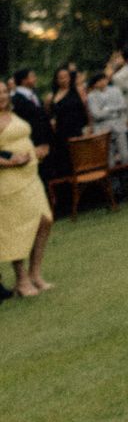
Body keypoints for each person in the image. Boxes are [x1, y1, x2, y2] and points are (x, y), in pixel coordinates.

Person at [0, 78, 55, 295]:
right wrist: (10, 161)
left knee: (45, 220)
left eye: (4, 92)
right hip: (9, 180)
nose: (2, 96)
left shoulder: (13, 114)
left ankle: (35, 274)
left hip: (30, 176)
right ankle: (22, 280)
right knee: (17, 228)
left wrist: (36, 151)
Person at [86, 70, 128, 180]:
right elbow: (96, 114)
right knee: (109, 158)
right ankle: (115, 188)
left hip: (118, 124)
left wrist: (107, 109)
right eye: (99, 81)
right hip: (102, 128)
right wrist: (113, 109)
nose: (102, 83)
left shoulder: (115, 90)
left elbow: (122, 105)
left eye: (104, 79)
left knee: (125, 154)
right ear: (95, 84)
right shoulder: (91, 97)